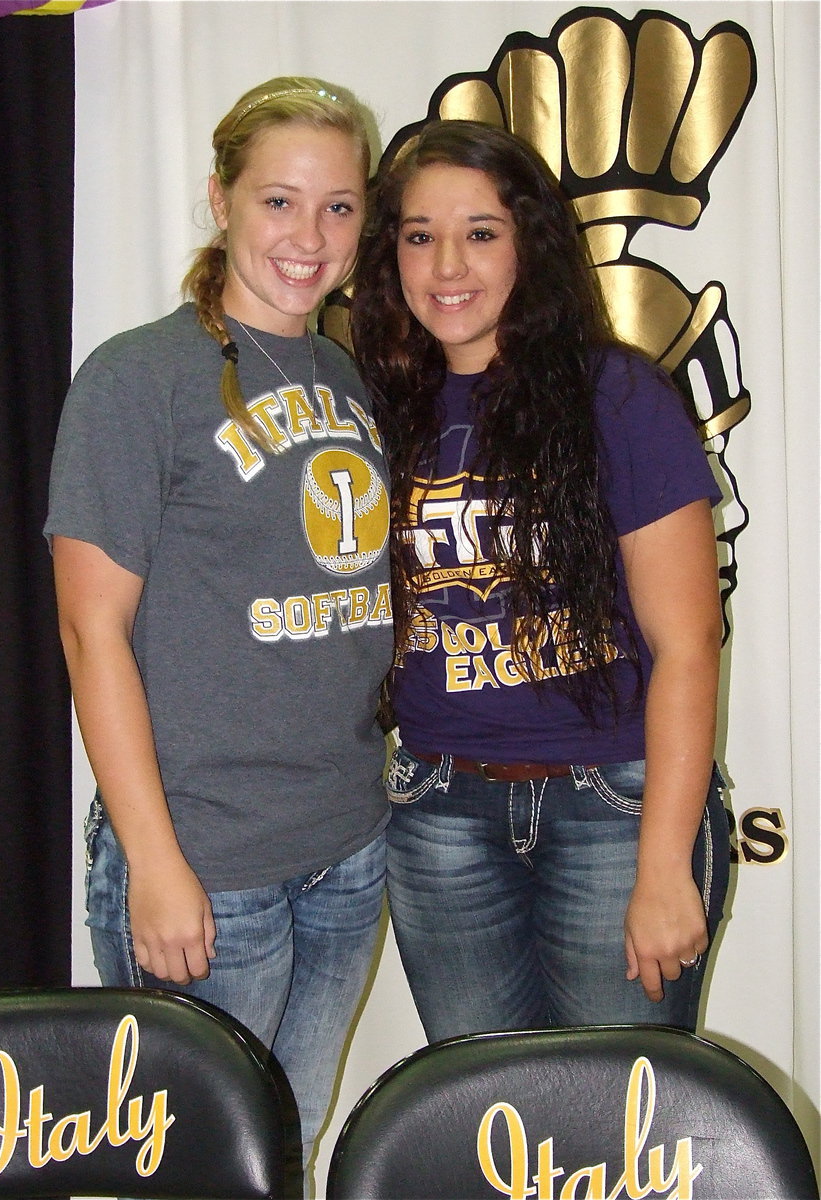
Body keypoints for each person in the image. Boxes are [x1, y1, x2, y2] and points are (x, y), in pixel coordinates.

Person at [45, 77, 393, 1189]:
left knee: (282, 1148)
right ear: (220, 198)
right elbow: (90, 632)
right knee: (196, 1169)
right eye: (279, 201)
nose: (309, 236)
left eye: (338, 207)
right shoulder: (134, 378)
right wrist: (153, 861)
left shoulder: (344, 374)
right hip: (207, 862)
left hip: (347, 846)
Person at [350, 119, 731, 1041]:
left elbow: (688, 644)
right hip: (439, 811)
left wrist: (663, 864)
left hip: (612, 804)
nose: (447, 264)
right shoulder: (373, 407)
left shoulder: (617, 393)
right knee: (490, 1132)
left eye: (480, 232)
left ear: (528, 241)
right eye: (418, 234)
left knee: (619, 1132)